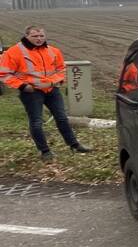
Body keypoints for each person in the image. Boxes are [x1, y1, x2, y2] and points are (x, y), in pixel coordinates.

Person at [0, 25, 91, 162]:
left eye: (41, 36)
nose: (39, 39)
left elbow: (61, 69)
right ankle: (45, 151)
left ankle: (74, 145)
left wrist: (54, 82)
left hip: (52, 90)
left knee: (62, 118)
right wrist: (23, 86)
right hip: (31, 92)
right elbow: (4, 73)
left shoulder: (53, 51)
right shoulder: (13, 52)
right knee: (36, 122)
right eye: (35, 36)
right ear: (26, 36)